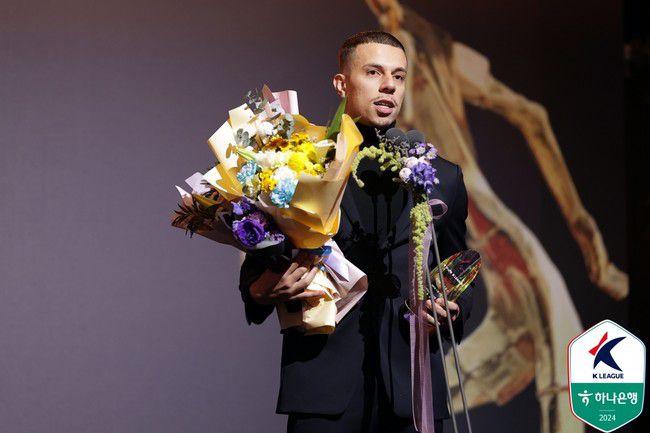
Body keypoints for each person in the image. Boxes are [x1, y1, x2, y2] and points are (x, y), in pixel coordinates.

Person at [238, 30, 473, 433]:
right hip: (323, 387)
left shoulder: (441, 178)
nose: (388, 86)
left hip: (411, 389)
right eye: (374, 72)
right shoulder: (298, 167)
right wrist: (266, 290)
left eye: (398, 76)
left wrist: (450, 307)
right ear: (341, 83)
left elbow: (456, 268)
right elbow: (256, 279)